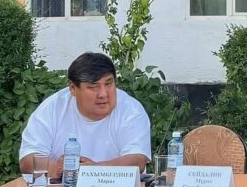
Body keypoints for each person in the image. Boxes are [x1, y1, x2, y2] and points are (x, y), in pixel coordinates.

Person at [19, 52, 151, 179]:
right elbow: (27, 160)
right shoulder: (52, 108)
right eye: (94, 87)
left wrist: (94, 170)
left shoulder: (131, 110)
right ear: (72, 88)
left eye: (108, 84)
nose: (103, 94)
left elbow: (138, 160)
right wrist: (56, 168)